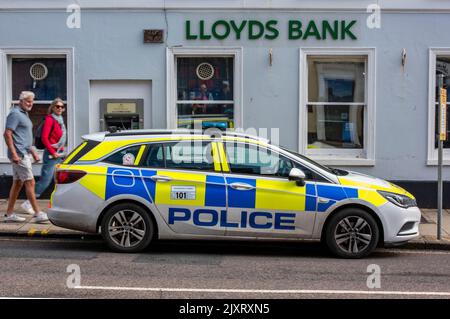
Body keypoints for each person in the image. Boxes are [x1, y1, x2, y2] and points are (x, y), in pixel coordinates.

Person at [3, 91, 48, 223]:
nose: (30, 104)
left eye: (32, 101)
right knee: (30, 182)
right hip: (19, 154)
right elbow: (7, 134)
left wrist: (32, 150)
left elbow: (23, 137)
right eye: (28, 101)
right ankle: (38, 213)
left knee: (17, 183)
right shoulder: (15, 114)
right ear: (20, 101)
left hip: (24, 152)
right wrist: (14, 153)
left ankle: (9, 214)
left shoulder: (24, 114)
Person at [21, 98, 66, 214]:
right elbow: (45, 138)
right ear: (52, 107)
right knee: (45, 181)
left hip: (59, 154)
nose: (60, 108)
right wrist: (52, 152)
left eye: (62, 107)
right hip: (51, 156)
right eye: (57, 106)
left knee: (58, 180)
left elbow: (59, 138)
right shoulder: (50, 120)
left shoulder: (60, 120)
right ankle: (28, 203)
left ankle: (58, 204)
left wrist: (61, 151)